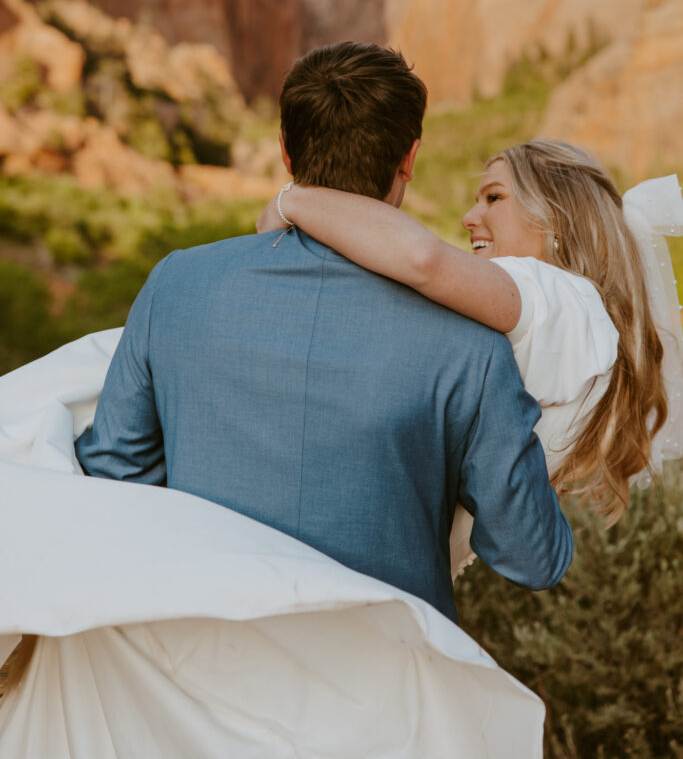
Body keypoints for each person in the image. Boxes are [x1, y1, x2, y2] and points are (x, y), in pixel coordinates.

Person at [0, 41, 574, 757]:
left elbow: (115, 472)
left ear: (284, 150)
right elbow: (528, 557)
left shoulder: (176, 285)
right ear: (408, 160)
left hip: (186, 699)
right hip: (382, 715)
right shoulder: (470, 343)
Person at [257, 137, 683, 574]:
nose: (468, 218)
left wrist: (295, 199)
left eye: (493, 197)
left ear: (556, 215)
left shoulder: (553, 296)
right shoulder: (577, 320)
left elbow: (423, 260)